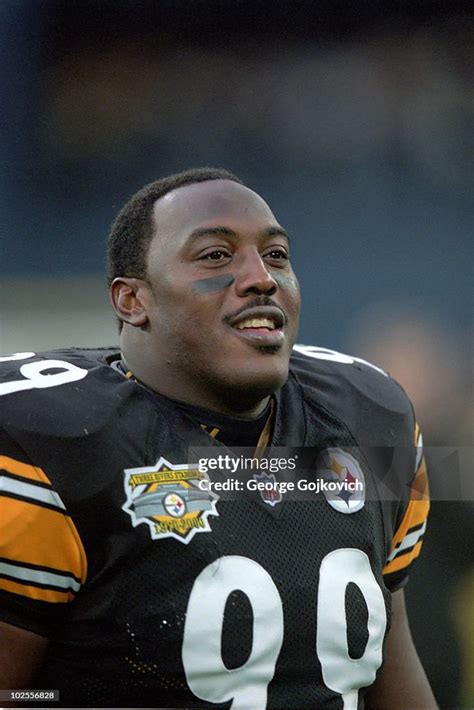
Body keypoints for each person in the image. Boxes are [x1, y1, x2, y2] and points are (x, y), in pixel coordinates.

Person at [0, 167, 437, 708]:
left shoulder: (373, 416)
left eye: (276, 255)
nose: (262, 278)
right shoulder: (47, 442)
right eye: (215, 256)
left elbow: (391, 673)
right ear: (132, 300)